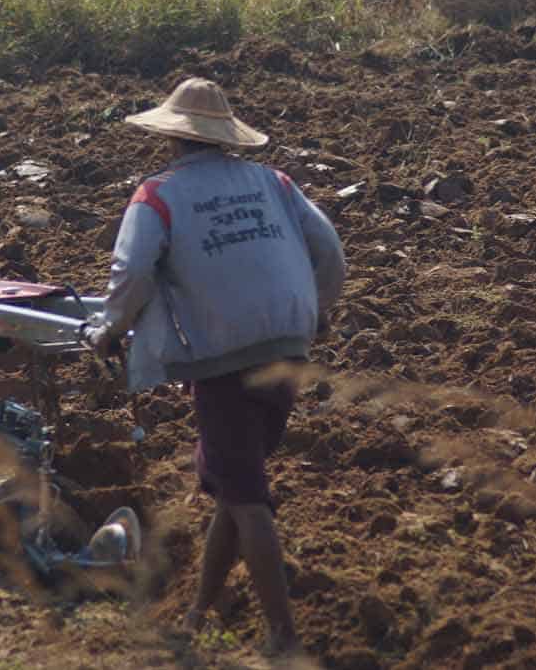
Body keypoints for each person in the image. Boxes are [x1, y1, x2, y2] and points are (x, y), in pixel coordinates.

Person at [83, 77, 346, 656]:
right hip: (288, 346)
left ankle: (283, 637)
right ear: (226, 137)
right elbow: (328, 248)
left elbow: (131, 275)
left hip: (224, 360)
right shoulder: (274, 182)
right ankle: (200, 613)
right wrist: (318, 311)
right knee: (234, 485)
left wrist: (107, 330)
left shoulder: (156, 195)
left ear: (172, 140)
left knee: (247, 497)